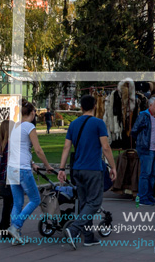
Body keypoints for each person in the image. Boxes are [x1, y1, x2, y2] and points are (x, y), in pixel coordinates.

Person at [59, 94, 117, 250]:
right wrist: (113, 166)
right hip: (93, 169)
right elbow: (105, 147)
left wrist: (61, 169)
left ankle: (89, 237)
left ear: (81, 107)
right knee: (95, 202)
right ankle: (74, 229)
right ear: (95, 106)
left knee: (85, 203)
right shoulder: (99, 123)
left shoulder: (73, 124)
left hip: (77, 169)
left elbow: (66, 148)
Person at [6, 99, 52, 245]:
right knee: (35, 199)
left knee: (17, 203)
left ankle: (16, 234)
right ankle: (16, 226)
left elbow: (17, 149)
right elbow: (38, 149)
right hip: (22, 169)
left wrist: (32, 163)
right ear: (32, 113)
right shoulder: (29, 127)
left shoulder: (14, 127)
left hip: (11, 168)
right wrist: (47, 165)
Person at [131, 96, 155, 206]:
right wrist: (142, 142)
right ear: (150, 106)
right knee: (146, 173)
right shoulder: (144, 116)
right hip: (147, 149)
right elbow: (134, 130)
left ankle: (149, 196)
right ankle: (143, 198)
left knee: (153, 174)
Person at [0, 119, 14, 237]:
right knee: (11, 203)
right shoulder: (9, 145)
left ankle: (3, 226)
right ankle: (4, 226)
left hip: (1, 179)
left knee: (7, 204)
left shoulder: (0, 144)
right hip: (8, 179)